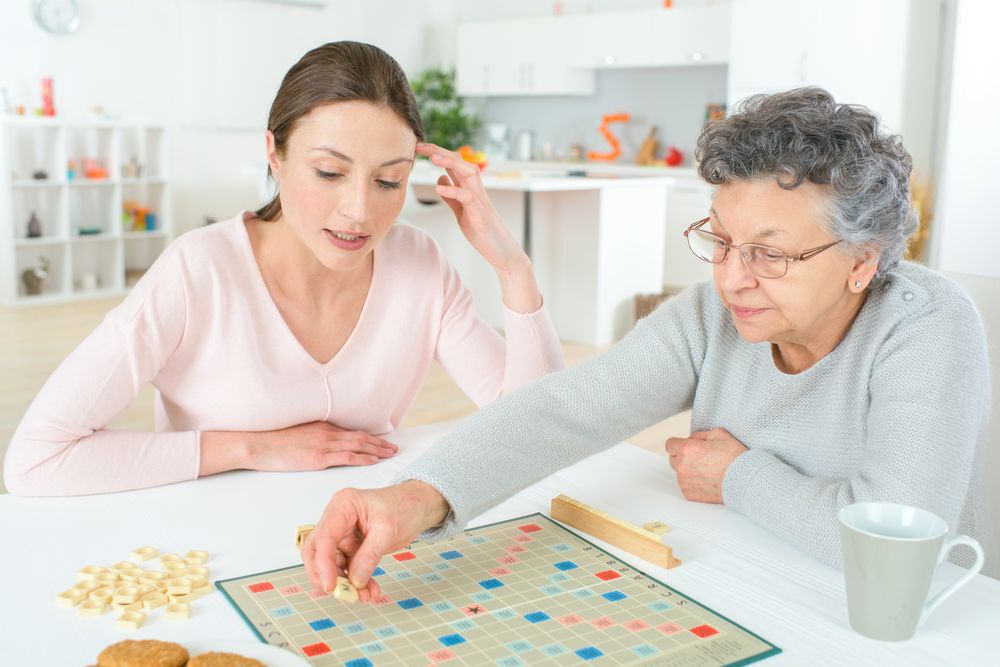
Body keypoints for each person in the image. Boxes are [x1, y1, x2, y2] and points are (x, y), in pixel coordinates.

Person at [299, 87, 992, 599]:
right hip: (749, 582)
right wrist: (413, 498)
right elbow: (566, 408)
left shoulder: (928, 324)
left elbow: (895, 549)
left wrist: (736, 476)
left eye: (769, 255)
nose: (731, 279)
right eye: (720, 240)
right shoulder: (712, 316)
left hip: (911, 625)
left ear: (862, 259)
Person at [4, 42, 564, 496]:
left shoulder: (419, 265)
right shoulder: (198, 271)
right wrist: (253, 447)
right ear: (274, 155)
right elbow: (35, 460)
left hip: (367, 543)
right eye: (328, 172)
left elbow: (540, 429)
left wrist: (512, 267)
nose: (359, 212)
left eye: (389, 180)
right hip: (210, 545)